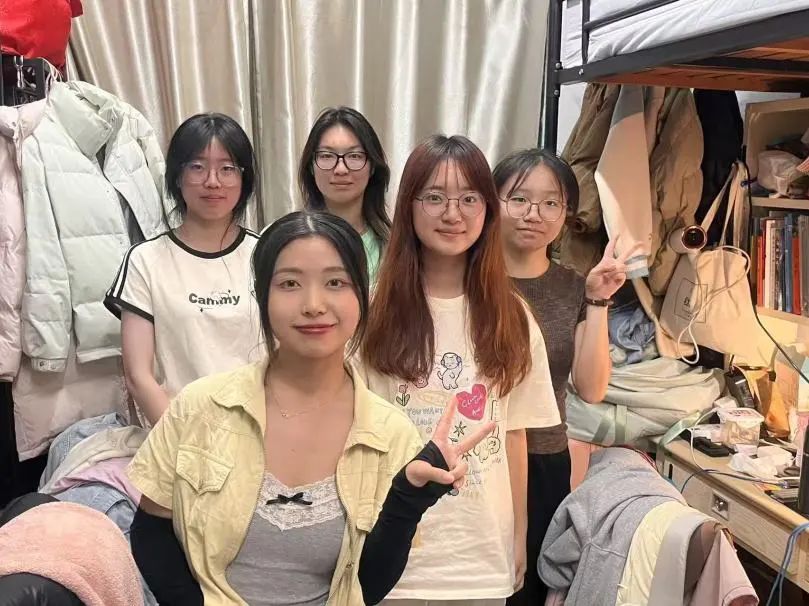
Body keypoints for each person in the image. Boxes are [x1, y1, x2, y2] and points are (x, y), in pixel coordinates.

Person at [127, 211, 494, 606]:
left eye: (335, 282)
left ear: (361, 295)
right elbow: (151, 533)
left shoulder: (390, 433)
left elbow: (365, 587)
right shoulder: (199, 407)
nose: (314, 304)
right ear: (262, 296)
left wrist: (408, 501)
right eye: (290, 283)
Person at [360, 135, 561, 605]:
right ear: (408, 207)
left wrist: (518, 537)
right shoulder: (371, 312)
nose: (453, 214)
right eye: (434, 197)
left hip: (480, 552)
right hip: (394, 551)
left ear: (488, 210)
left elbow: (514, 434)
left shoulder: (513, 317)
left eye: (469, 198)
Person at [493, 148, 631, 605]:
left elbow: (591, 388)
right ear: (493, 202)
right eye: (519, 199)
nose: (534, 214)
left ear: (566, 213)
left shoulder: (574, 286)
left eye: (550, 203)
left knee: (529, 589)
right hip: (479, 460)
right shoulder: (469, 279)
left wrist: (598, 300)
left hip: (543, 460)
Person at [105, 113, 260, 427]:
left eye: (227, 168)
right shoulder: (145, 260)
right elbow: (138, 376)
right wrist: (184, 442)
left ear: (244, 179)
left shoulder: (267, 255)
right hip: (177, 431)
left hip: (258, 428)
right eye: (197, 167)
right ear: (177, 176)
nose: (212, 181)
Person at [298, 106, 391, 284]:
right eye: (327, 156)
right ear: (310, 166)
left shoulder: (395, 248)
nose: (341, 169)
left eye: (354, 156)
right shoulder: (286, 241)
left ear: (372, 166)